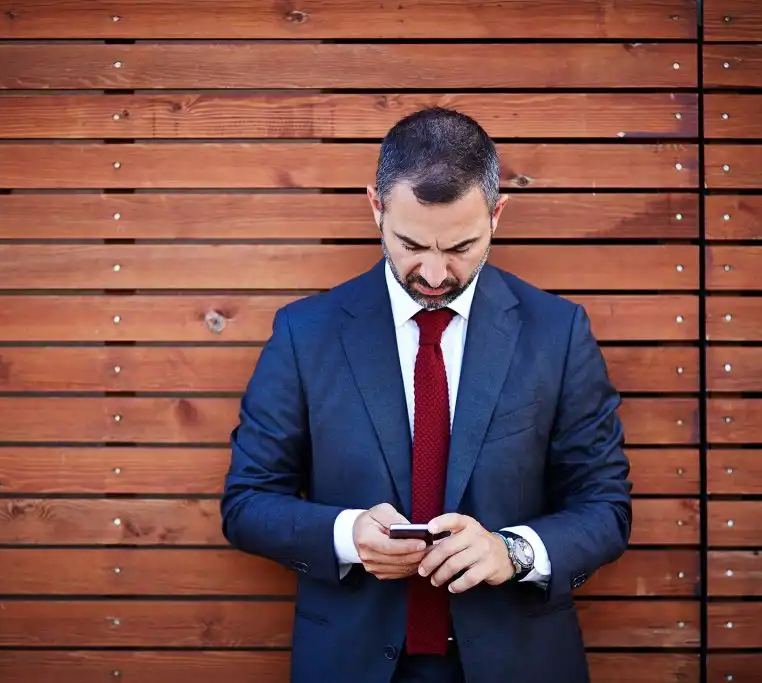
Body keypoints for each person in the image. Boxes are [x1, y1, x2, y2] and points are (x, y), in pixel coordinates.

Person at [220, 107, 632, 683]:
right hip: (351, 661)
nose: (435, 274)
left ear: (497, 215)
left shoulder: (557, 332)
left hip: (519, 660)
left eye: (461, 247)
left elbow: (605, 507)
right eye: (411, 244)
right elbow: (246, 504)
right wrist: (347, 536)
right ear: (375, 207)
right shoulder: (304, 333)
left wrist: (511, 552)